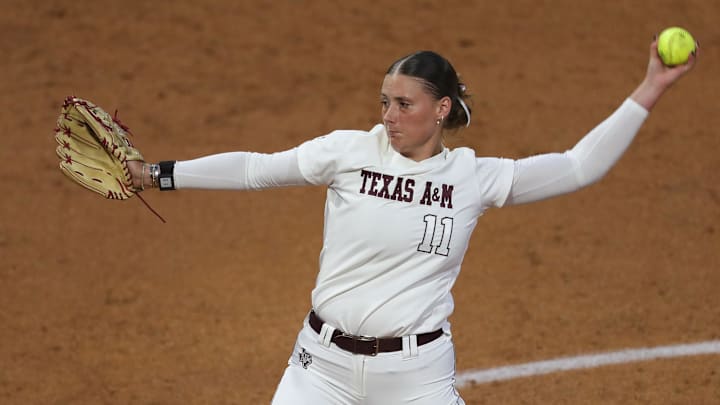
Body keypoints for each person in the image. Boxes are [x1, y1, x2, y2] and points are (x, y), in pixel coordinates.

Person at [128, 36, 696, 404]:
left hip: (417, 376)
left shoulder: (473, 176)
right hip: (319, 367)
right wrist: (157, 173)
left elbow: (577, 166)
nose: (389, 116)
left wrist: (650, 88)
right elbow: (254, 169)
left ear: (441, 109)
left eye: (404, 105)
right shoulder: (349, 151)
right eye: (384, 102)